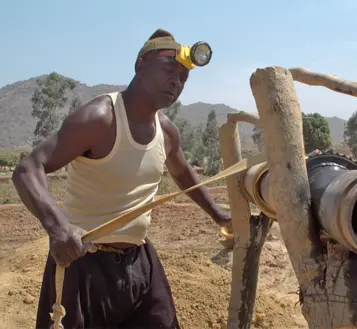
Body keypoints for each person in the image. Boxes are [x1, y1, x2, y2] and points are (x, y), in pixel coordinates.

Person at [12, 28, 231, 329]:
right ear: (141, 64)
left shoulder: (166, 132)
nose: (176, 82)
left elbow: (182, 173)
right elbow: (28, 169)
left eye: (184, 77)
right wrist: (57, 227)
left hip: (139, 262)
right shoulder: (100, 119)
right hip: (82, 265)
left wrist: (219, 215)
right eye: (170, 69)